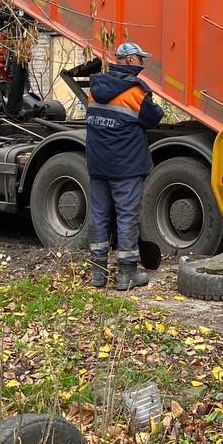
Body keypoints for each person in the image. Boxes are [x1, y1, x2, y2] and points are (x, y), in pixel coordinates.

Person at [85, 41, 164, 292]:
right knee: (127, 217)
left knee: (99, 216)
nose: (143, 63)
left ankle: (98, 273)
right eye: (140, 58)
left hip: (98, 164)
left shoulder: (95, 88)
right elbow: (154, 118)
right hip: (125, 167)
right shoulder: (136, 92)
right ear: (130, 60)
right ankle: (127, 274)